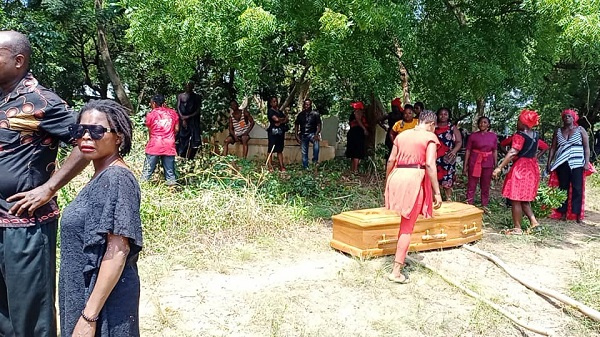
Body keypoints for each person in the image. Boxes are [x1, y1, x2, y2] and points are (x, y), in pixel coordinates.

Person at [0, 30, 90, 337]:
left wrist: (49, 188)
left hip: (25, 225)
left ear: (18, 60)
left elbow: (88, 140)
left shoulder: (42, 102)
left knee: (30, 313)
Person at [59, 99, 143, 337]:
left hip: (103, 306)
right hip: (84, 297)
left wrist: (89, 317)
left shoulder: (117, 179)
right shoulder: (101, 176)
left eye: (96, 130)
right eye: (80, 130)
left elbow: (118, 252)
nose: (86, 137)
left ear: (119, 137)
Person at [385, 110, 442, 283]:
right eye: (435, 127)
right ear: (431, 124)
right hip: (414, 179)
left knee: (404, 222)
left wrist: (388, 181)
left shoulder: (401, 135)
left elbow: (390, 160)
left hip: (397, 176)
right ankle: (396, 271)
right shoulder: (430, 137)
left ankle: (400, 257)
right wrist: (437, 193)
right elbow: (431, 165)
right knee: (407, 226)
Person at [493, 109, 542, 234]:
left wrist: (499, 167)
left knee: (515, 198)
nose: (517, 123)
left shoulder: (519, 135)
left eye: (519, 120)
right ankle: (534, 223)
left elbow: (513, 151)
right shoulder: (536, 135)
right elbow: (534, 151)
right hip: (532, 167)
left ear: (524, 123)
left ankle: (517, 228)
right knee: (524, 199)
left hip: (521, 168)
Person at [546, 109, 593, 222]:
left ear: (573, 118)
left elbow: (586, 148)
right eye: (565, 116)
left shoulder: (580, 130)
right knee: (563, 187)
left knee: (577, 188)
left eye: (569, 116)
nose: (566, 118)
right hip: (562, 162)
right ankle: (562, 213)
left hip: (577, 162)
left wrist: (586, 162)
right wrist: (549, 162)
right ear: (562, 119)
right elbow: (553, 148)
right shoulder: (558, 131)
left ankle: (577, 216)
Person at [141, 94, 179, 185]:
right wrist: (170, 135)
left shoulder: (150, 114)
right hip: (169, 145)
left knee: (147, 172)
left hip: (154, 144)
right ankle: (171, 192)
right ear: (163, 103)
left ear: (154, 103)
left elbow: (150, 131)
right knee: (170, 173)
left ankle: (142, 190)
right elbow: (177, 129)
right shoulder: (173, 113)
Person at [463, 116, 498, 207]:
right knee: (472, 184)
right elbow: (468, 150)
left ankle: (484, 205)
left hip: (488, 162)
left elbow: (494, 151)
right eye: (481, 122)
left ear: (488, 124)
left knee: (485, 185)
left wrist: (496, 164)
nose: (482, 124)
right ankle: (469, 204)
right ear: (478, 124)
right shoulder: (473, 136)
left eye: (485, 122)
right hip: (475, 162)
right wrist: (465, 165)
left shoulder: (493, 136)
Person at [435, 107, 462, 201]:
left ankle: (448, 199)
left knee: (448, 178)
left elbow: (459, 142)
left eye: (445, 114)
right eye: (441, 114)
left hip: (448, 158)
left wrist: (454, 151)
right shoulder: (433, 127)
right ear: (437, 115)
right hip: (434, 157)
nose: (443, 116)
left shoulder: (452, 127)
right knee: (434, 177)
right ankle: (436, 199)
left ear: (449, 116)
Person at [176, 81, 202, 159]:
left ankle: (191, 157)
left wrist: (188, 117)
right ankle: (181, 155)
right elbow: (178, 107)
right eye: (187, 85)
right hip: (182, 120)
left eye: (190, 86)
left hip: (192, 121)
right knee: (181, 138)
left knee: (194, 139)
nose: (188, 87)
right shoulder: (180, 96)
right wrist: (182, 117)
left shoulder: (196, 97)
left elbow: (197, 110)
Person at [294, 99, 322, 168]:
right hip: (303, 134)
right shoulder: (300, 115)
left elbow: (319, 125)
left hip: (312, 134)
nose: (307, 106)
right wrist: (296, 135)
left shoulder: (315, 114)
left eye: (308, 104)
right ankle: (305, 167)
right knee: (304, 152)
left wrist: (316, 133)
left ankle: (315, 161)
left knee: (316, 144)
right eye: (306, 104)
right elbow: (296, 125)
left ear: (311, 105)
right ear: (304, 105)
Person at [266, 96, 289, 171]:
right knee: (271, 150)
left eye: (276, 101)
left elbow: (286, 119)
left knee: (280, 150)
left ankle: (282, 166)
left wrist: (280, 121)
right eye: (274, 101)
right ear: (271, 103)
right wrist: (281, 120)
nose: (275, 103)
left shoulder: (279, 111)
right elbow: (276, 119)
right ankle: (270, 166)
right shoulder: (270, 111)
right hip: (273, 133)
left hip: (280, 133)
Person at [346, 101, 369, 172]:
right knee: (357, 151)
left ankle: (353, 169)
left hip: (353, 132)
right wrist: (364, 129)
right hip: (357, 132)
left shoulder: (354, 113)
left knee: (354, 151)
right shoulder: (358, 112)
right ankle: (355, 170)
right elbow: (358, 120)